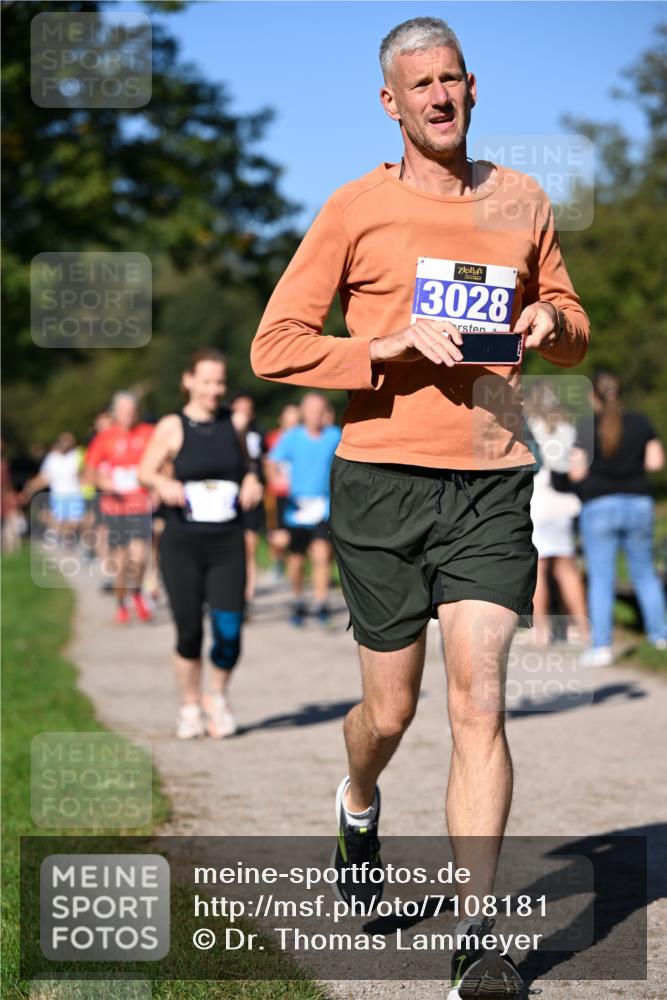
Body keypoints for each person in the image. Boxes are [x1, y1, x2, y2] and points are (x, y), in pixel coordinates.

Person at [251, 17, 589, 998]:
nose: (438, 96)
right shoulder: (354, 207)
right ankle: (358, 798)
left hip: (490, 476)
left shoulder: (521, 199)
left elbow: (568, 326)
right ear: (389, 102)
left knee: (478, 699)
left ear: (473, 87)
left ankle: (477, 941)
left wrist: (546, 318)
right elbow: (274, 345)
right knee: (390, 708)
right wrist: (384, 348)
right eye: (418, 84)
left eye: (451, 79)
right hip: (380, 480)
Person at [138, 349, 263, 740]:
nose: (214, 390)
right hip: (183, 543)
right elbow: (144, 471)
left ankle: (217, 697)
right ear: (188, 381)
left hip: (226, 541)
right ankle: (190, 704)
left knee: (229, 629)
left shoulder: (235, 422)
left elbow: (250, 464)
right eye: (206, 381)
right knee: (189, 631)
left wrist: (253, 479)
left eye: (220, 382)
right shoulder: (172, 426)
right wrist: (163, 482)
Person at [570, 372, 666, 667]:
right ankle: (659, 636)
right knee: (645, 574)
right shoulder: (640, 421)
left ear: (593, 396)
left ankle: (602, 647)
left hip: (599, 506)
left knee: (601, 579)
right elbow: (655, 462)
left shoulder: (586, 426)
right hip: (638, 503)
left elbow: (576, 473)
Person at [267, 393, 341, 626]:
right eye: (311, 410)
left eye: (320, 410)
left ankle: (321, 603)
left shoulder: (334, 435)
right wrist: (275, 480)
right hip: (295, 508)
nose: (316, 415)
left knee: (321, 554)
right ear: (303, 412)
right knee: (297, 560)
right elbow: (270, 461)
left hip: (323, 506)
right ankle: (298, 599)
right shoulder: (292, 437)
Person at [525, 381, 588, 646]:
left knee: (538, 567)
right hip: (564, 501)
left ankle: (542, 630)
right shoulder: (567, 427)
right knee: (566, 567)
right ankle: (583, 629)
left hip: (538, 497)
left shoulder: (528, 424)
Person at [85, 392, 154, 624]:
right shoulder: (104, 437)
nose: (128, 415)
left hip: (141, 505)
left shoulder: (147, 433)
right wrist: (103, 482)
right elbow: (90, 471)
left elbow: (162, 463)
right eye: (123, 410)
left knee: (141, 556)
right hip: (115, 507)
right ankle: (122, 603)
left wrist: (156, 488)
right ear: (115, 413)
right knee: (122, 561)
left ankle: (137, 592)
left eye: (132, 410)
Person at [230, 391, 265, 604]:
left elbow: (267, 463)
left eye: (248, 409)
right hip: (230, 495)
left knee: (250, 545)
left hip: (252, 496)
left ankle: (247, 595)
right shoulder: (222, 433)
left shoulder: (259, 434)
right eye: (240, 408)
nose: (244, 413)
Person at [21, 432, 85, 545]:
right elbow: (44, 477)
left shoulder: (77, 456)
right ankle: (63, 545)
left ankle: (67, 543)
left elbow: (85, 474)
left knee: (74, 524)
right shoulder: (52, 458)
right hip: (58, 496)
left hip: (75, 495)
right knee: (61, 523)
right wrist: (31, 488)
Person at [264, 402, 301, 580]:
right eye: (289, 418)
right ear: (282, 420)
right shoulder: (272, 438)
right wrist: (273, 479)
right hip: (277, 492)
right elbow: (266, 462)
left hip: (298, 493)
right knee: (276, 533)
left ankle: (294, 568)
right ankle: (278, 561)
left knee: (294, 532)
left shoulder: (303, 438)